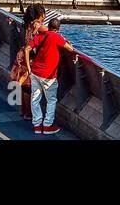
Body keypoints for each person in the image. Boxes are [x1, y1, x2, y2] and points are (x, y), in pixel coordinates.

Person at [23, 7, 79, 135]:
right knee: (51, 99)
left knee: (35, 98)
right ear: (58, 29)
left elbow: (27, 49)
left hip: (35, 72)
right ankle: (47, 125)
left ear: (48, 25)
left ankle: (37, 125)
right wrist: (67, 41)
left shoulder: (41, 36)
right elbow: (70, 49)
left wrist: (29, 67)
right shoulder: (57, 37)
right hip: (49, 75)